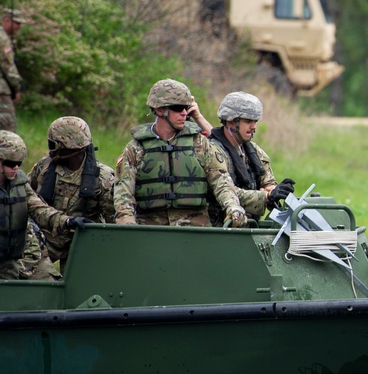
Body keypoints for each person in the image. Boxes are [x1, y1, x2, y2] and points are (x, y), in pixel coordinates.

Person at [114, 79, 247, 228]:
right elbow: (123, 194)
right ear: (159, 110)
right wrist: (127, 223)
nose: (184, 113)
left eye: (186, 107)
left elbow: (221, 181)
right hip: (151, 230)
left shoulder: (200, 144)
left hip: (196, 230)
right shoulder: (136, 148)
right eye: (178, 108)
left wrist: (233, 207)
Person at [27, 116, 115, 270]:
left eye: (53, 144)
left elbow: (112, 222)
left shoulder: (103, 178)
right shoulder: (45, 167)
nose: (51, 150)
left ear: (65, 146)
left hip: (82, 241)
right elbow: (27, 197)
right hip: (46, 237)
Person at [0, 130, 87, 280]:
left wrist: (67, 221)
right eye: (10, 163)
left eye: (19, 164)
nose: (16, 168)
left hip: (16, 252)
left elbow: (39, 209)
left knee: (50, 288)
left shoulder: (19, 184)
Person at [207, 91, 295, 226]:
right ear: (230, 122)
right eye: (248, 121)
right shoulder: (213, 151)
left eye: (255, 121)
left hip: (250, 226)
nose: (253, 126)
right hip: (222, 228)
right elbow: (226, 190)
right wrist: (265, 196)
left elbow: (268, 182)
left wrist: (275, 191)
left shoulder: (254, 151)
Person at [0, 8, 26, 132]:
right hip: (1, 91)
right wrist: (17, 87)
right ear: (6, 20)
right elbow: (7, 65)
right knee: (8, 128)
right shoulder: (2, 38)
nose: (19, 26)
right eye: (17, 23)